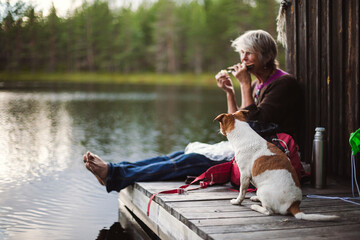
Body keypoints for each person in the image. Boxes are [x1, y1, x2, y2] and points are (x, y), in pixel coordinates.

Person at [84, 29, 303, 192]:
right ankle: (115, 171)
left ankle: (113, 174)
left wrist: (244, 85)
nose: (243, 59)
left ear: (265, 56)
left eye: (249, 54)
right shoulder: (258, 84)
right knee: (180, 155)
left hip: (266, 156)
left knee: (190, 161)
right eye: (242, 53)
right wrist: (230, 92)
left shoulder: (283, 84)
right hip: (248, 147)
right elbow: (234, 126)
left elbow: (254, 126)